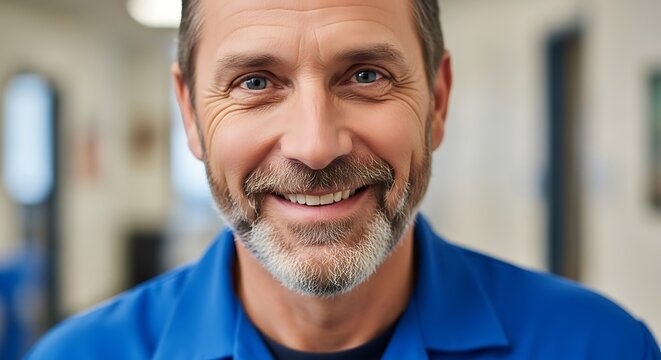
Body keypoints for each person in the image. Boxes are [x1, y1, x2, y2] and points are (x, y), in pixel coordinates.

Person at [28, 0, 660, 359]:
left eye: (365, 76)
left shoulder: (600, 347)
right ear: (189, 114)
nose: (315, 145)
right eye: (255, 82)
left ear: (437, 102)